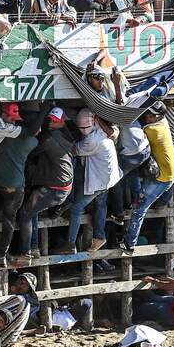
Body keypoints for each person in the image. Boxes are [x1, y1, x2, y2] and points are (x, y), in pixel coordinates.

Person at [58, 109, 121, 255]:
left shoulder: (92, 141)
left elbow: (74, 149)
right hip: (107, 177)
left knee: (76, 209)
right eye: (81, 128)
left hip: (100, 179)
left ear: (93, 122)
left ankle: (71, 243)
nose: (83, 131)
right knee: (100, 204)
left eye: (85, 128)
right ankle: (99, 236)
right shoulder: (101, 129)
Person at [16, 108, 74, 259]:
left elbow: (31, 151)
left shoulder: (48, 138)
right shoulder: (66, 134)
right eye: (50, 119)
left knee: (24, 215)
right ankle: (34, 247)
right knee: (33, 211)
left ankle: (25, 251)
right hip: (62, 184)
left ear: (61, 121)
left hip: (54, 187)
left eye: (55, 120)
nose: (51, 122)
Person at [123, 102, 174, 253]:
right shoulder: (163, 121)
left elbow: (132, 132)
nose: (147, 116)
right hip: (164, 171)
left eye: (151, 115)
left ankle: (130, 244)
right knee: (134, 179)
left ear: (158, 116)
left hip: (161, 178)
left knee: (139, 209)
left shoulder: (152, 130)